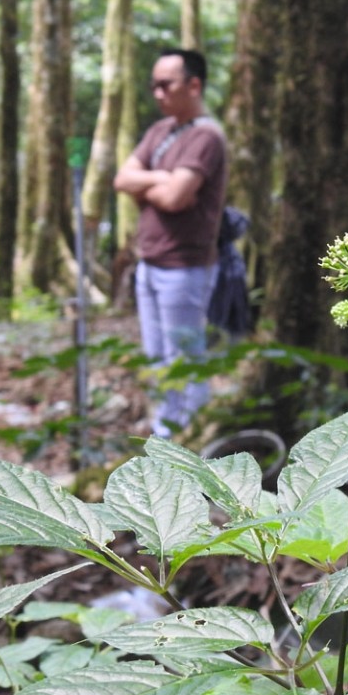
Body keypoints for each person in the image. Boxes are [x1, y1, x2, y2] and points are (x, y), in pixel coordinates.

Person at [113, 48, 228, 437]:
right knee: (157, 355)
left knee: (185, 356)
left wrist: (153, 183)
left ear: (193, 85)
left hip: (186, 266)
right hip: (149, 262)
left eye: (166, 85)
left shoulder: (207, 136)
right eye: (153, 86)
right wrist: (163, 180)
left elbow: (177, 198)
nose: (158, 93)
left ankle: (190, 436)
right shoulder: (159, 132)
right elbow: (122, 178)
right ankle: (165, 432)